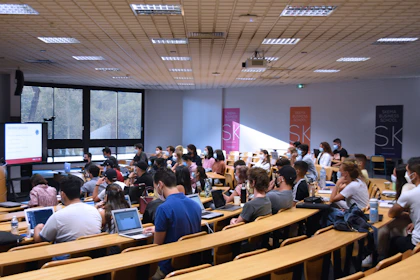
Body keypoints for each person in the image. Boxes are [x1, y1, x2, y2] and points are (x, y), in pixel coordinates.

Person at [143, 168, 201, 279]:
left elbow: (157, 246)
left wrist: (158, 232)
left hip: (169, 266)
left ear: (160, 185)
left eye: (155, 188)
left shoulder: (163, 209)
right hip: (192, 261)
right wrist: (160, 228)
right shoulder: (195, 205)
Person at [34, 175, 102, 245]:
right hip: (93, 253)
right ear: (80, 192)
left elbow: (40, 240)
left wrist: (37, 228)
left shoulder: (58, 217)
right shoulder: (94, 210)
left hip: (69, 255)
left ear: (62, 194)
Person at [389, 157, 420, 255]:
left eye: (407, 171)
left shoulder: (410, 194)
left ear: (414, 175)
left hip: (417, 243)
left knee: (394, 242)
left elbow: (391, 213)